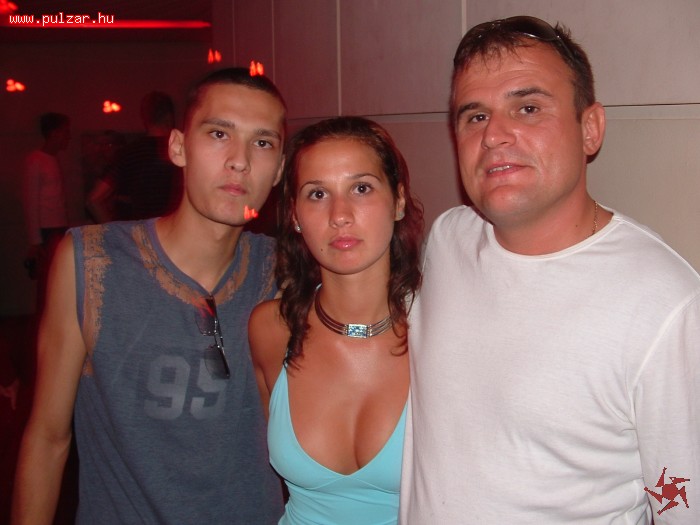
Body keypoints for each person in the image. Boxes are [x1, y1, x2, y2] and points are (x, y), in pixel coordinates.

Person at [400, 15, 700, 524]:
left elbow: (681, 505)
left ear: (590, 129)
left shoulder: (665, 305)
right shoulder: (447, 242)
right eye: (475, 116)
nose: (494, 135)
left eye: (528, 108)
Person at [12, 67, 287, 524]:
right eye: (219, 134)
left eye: (262, 142)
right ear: (178, 147)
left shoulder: (285, 272)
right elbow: (48, 437)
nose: (240, 160)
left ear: (277, 169)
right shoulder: (92, 260)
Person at [249, 116, 423, 524]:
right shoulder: (271, 330)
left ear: (398, 201)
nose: (339, 215)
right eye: (317, 194)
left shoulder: (440, 331)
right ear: (295, 214)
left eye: (361, 188)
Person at [86, 91, 182, 223]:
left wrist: (115, 233)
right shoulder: (183, 151)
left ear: (145, 118)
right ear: (170, 117)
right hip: (177, 229)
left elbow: (93, 200)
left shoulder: (129, 153)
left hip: (143, 231)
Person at [22, 112, 71, 306]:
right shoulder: (36, 160)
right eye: (65, 131)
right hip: (46, 230)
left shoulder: (51, 159)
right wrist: (35, 241)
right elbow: (30, 201)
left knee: (56, 277)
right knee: (47, 280)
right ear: (54, 133)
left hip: (57, 227)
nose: (68, 136)